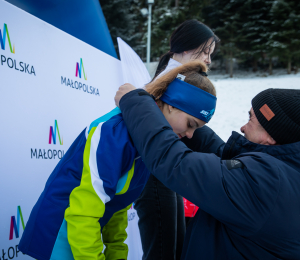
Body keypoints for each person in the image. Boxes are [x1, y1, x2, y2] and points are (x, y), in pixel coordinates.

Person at [19, 60, 216, 260]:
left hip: (84, 235)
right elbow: (82, 213)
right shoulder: (114, 133)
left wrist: (116, 254)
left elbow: (118, 206)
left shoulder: (148, 141)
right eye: (191, 124)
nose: (191, 135)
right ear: (171, 105)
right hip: (61, 234)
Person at [115, 86, 300, 259]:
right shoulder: (285, 173)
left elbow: (177, 163)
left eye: (251, 118)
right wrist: (189, 123)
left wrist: (135, 103)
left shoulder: (267, 182)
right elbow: (224, 159)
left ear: (270, 135)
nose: (243, 127)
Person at [135, 19, 219, 260]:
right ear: (183, 47)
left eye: (210, 53)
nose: (208, 59)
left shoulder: (179, 79)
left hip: (166, 168)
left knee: (175, 244)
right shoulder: (168, 83)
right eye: (204, 51)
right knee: (162, 248)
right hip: (152, 171)